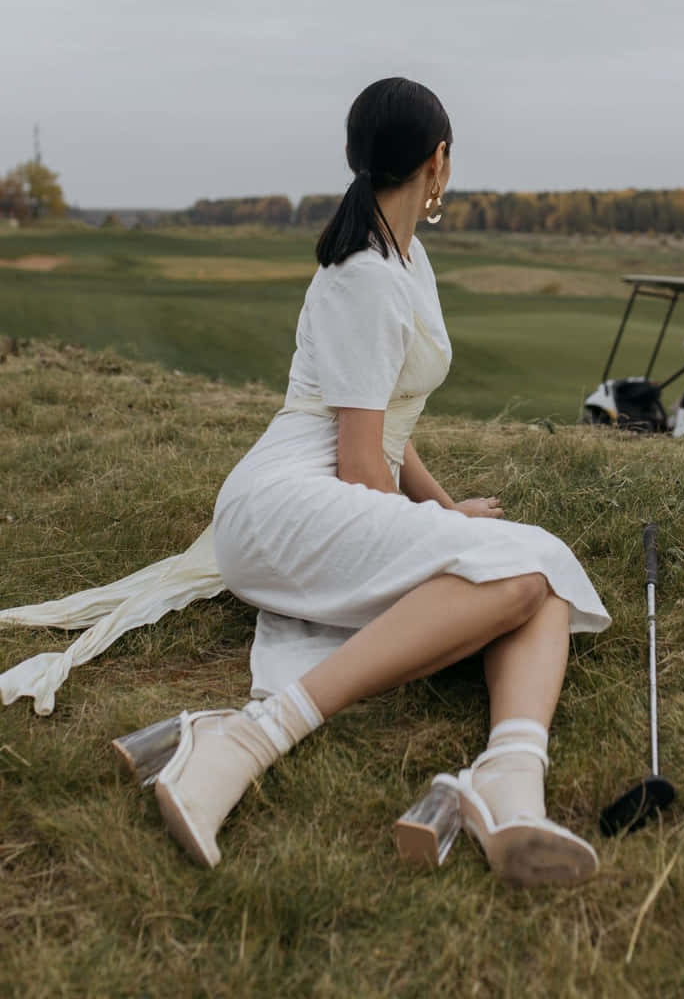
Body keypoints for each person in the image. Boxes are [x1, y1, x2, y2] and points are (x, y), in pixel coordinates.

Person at [0, 78, 610, 885]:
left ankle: (510, 776)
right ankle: (245, 737)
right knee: (525, 568)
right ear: (439, 164)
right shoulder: (362, 276)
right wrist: (442, 535)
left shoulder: (406, 258)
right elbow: (360, 463)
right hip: (287, 501)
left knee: (535, 574)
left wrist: (440, 511)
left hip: (332, 495)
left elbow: (392, 422)